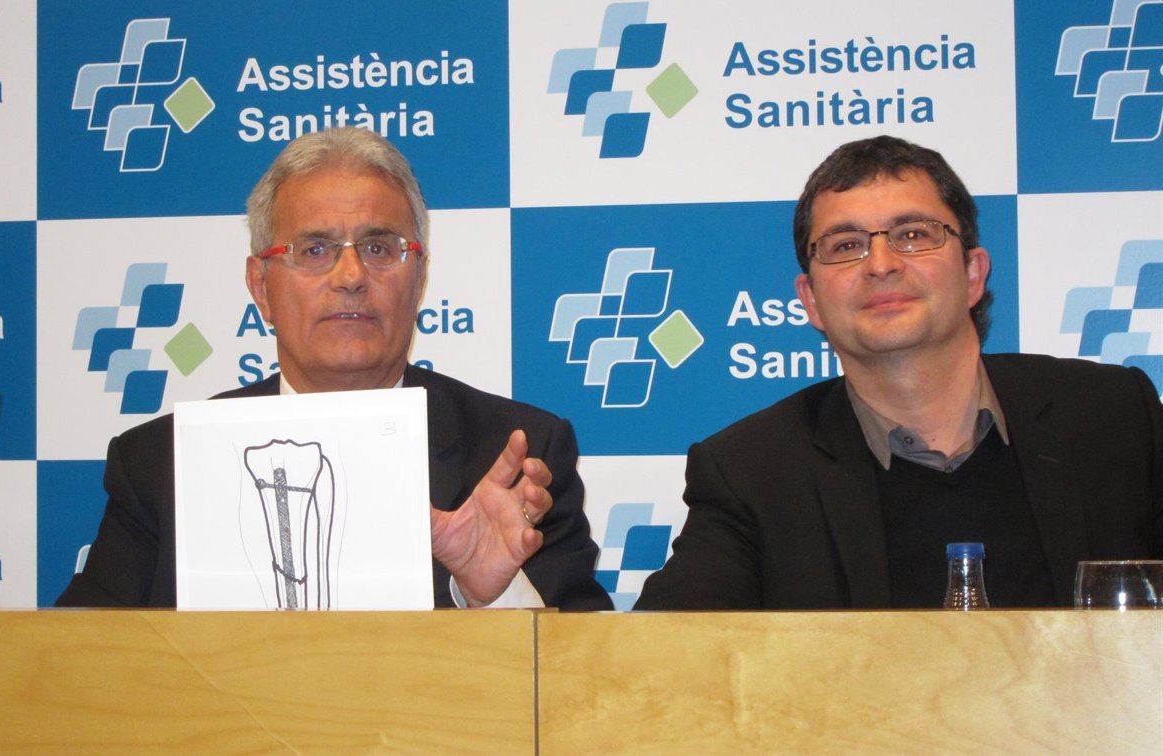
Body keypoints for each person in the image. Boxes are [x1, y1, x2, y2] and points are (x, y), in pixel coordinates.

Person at [57, 127, 611, 611]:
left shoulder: (518, 458)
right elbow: (74, 666)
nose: (350, 276)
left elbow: (592, 676)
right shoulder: (159, 464)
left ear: (419, 280)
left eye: (379, 248)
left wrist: (493, 595)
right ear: (261, 288)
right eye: (315, 250)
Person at [636, 135, 1162, 610]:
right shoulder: (750, 472)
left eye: (913, 234)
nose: (881, 263)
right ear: (811, 301)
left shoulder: (1114, 417)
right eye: (846, 246)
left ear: (973, 273)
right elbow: (658, 658)